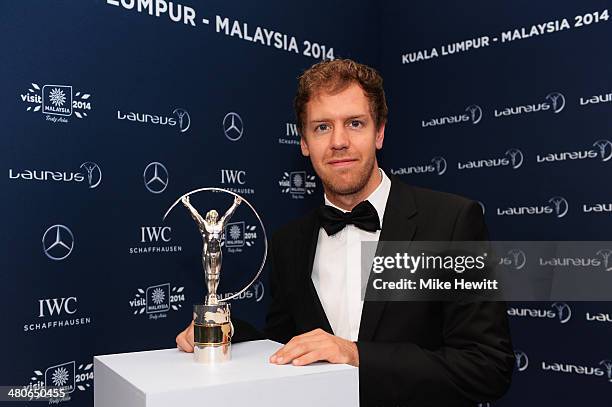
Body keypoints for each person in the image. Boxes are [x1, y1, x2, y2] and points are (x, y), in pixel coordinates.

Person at [176, 59, 514, 406]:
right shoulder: (288, 242)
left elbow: (487, 366)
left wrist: (355, 355)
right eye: (322, 127)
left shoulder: (451, 222)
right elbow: (284, 347)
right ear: (304, 142)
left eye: (354, 123)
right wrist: (227, 333)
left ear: (379, 132)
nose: (338, 141)